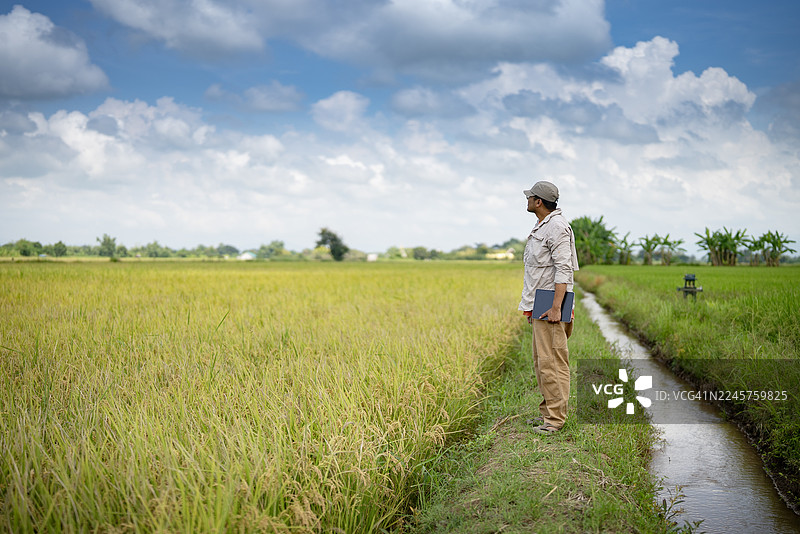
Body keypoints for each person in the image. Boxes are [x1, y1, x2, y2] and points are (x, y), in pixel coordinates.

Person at [518, 180, 579, 435]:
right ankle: (547, 415)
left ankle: (555, 420)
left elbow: (564, 269)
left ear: (539, 202)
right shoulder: (543, 224)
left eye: (530, 197)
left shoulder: (556, 227)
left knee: (552, 363)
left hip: (549, 304)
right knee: (542, 362)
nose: (527, 200)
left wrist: (556, 308)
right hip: (539, 302)